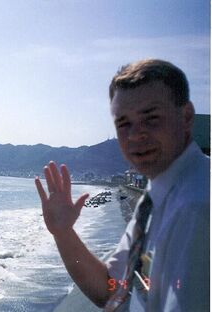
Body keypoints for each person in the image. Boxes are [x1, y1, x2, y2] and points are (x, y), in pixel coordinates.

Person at [35, 59, 210, 311]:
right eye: (123, 123)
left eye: (151, 118)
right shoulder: (157, 197)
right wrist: (63, 233)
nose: (135, 134)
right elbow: (112, 287)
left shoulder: (196, 209)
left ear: (186, 116)